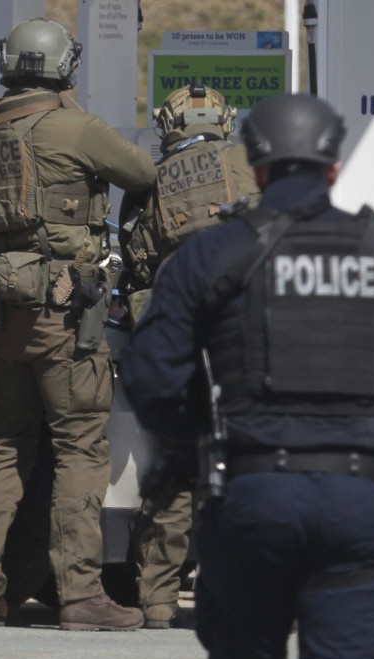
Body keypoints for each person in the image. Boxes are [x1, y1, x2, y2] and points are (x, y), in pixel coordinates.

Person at [120, 93, 374, 659]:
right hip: (358, 503)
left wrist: (201, 436)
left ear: (255, 169)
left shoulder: (213, 251)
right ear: (334, 167)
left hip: (252, 496)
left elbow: (151, 377)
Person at [0, 16, 156, 631]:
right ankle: (81, 596)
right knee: (79, 449)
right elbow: (143, 175)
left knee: (5, 446)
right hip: (64, 310)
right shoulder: (74, 126)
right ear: (65, 66)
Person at [117, 83, 259, 629]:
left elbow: (135, 261)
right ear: (223, 120)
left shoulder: (150, 183)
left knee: (176, 466)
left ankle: (157, 600)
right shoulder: (252, 161)